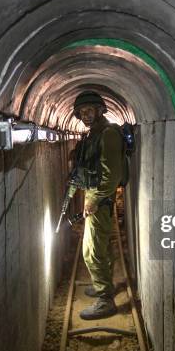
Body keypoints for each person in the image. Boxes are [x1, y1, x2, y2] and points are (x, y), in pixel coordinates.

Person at [72, 91, 124, 320]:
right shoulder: (94, 134)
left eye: (89, 110)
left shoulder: (108, 134)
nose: (85, 115)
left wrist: (94, 199)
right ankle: (104, 285)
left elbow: (112, 176)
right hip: (94, 195)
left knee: (91, 251)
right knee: (99, 245)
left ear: (100, 110)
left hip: (100, 198)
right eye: (82, 112)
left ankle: (105, 300)